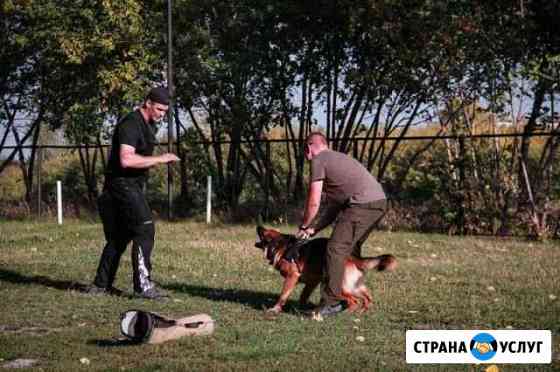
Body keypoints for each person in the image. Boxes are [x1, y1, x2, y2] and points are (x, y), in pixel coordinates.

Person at [87, 86, 180, 300]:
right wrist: (160, 159)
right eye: (159, 109)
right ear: (147, 102)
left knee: (120, 236)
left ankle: (100, 285)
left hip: (128, 186)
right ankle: (144, 286)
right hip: (122, 185)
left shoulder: (146, 125)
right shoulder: (130, 124)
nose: (161, 115)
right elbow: (126, 159)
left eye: (165, 111)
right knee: (145, 228)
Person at [296, 131, 387, 316]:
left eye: (305, 153)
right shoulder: (337, 159)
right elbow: (334, 207)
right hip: (378, 202)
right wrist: (314, 229)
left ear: (308, 148)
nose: (306, 158)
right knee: (348, 253)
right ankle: (349, 294)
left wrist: (304, 225)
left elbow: (314, 201)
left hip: (362, 205)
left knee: (335, 249)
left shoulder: (319, 159)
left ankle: (331, 303)